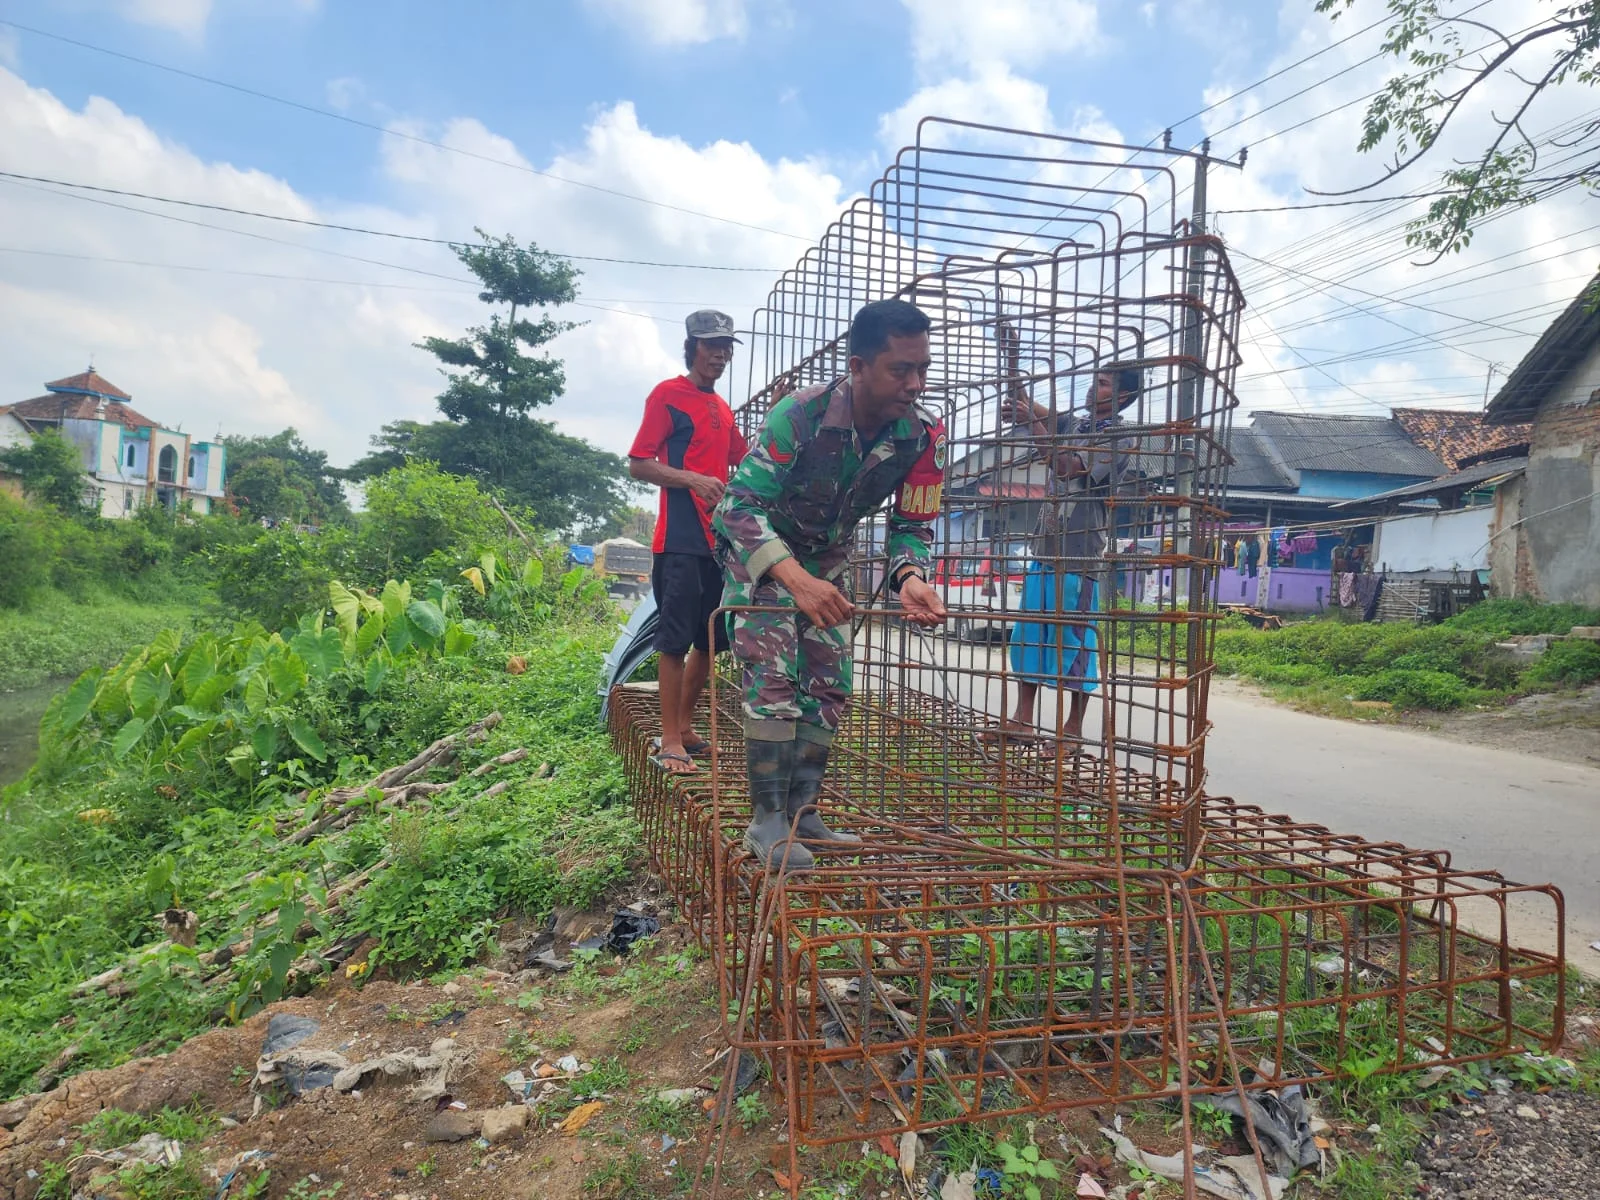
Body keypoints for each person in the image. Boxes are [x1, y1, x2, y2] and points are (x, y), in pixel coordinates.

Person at [713, 299, 949, 872]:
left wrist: (910, 577)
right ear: (859, 365)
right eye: (901, 369)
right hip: (765, 558)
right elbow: (738, 506)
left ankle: (804, 812)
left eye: (922, 369)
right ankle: (766, 821)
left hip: (828, 562)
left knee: (829, 681)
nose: (914, 384)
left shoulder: (920, 436)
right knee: (774, 676)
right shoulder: (800, 415)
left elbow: (912, 523)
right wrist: (794, 580)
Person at [996, 328, 1139, 749]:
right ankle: (1023, 720)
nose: (1094, 386)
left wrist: (1034, 425)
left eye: (1104, 382)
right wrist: (1013, 360)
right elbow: (1029, 408)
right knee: (1030, 635)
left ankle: (1072, 729)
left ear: (1123, 397)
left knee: (1074, 639)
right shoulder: (1076, 422)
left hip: (1078, 555)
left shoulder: (1119, 437)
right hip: (1045, 548)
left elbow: (1066, 465)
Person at [628, 309, 750, 774]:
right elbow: (639, 463)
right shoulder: (667, 395)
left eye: (726, 347)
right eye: (710, 345)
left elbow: (746, 455)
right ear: (692, 347)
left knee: (708, 639)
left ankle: (686, 726)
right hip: (678, 539)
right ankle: (669, 740)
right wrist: (692, 480)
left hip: (716, 541)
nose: (719, 354)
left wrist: (783, 412)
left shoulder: (721, 408)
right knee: (675, 639)